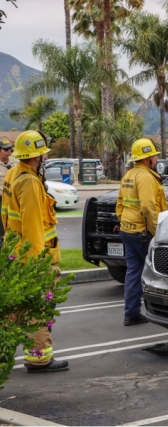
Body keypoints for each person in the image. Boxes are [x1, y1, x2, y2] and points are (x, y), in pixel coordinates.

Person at [1, 131, 69, 373]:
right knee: (38, 311)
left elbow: (6, 217)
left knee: (13, 312)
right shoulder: (29, 182)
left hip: (15, 256)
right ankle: (40, 359)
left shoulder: (13, 172)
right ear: (38, 156)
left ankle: (3, 353)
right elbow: (32, 227)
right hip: (35, 260)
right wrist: (38, 265)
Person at [116, 138, 168, 326]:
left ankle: (131, 314)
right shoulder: (146, 177)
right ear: (148, 159)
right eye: (154, 155)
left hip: (128, 230)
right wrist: (155, 232)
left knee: (133, 272)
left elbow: (120, 203)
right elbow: (147, 207)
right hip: (143, 233)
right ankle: (166, 313)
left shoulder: (129, 174)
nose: (156, 159)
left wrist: (123, 221)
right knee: (160, 273)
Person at [0, 138, 17, 241]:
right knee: (2, 226)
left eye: (10, 149)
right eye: (6, 150)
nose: (9, 152)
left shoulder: (16, 163)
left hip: (14, 200)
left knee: (14, 225)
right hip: (1, 200)